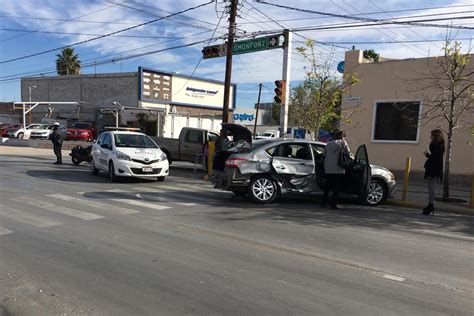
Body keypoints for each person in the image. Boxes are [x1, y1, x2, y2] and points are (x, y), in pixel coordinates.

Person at [321, 131, 351, 209]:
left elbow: (324, 154)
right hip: (339, 168)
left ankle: (323, 202)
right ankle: (332, 204)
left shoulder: (329, 143)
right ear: (342, 136)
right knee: (336, 187)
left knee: (327, 186)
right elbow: (348, 153)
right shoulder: (343, 143)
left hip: (328, 168)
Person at [422, 129, 445, 215]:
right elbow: (437, 158)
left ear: (435, 136)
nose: (430, 136)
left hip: (432, 169)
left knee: (431, 188)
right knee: (432, 188)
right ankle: (430, 205)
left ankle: (430, 206)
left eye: (431, 135)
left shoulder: (434, 144)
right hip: (436, 169)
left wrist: (427, 154)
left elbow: (434, 158)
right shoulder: (441, 145)